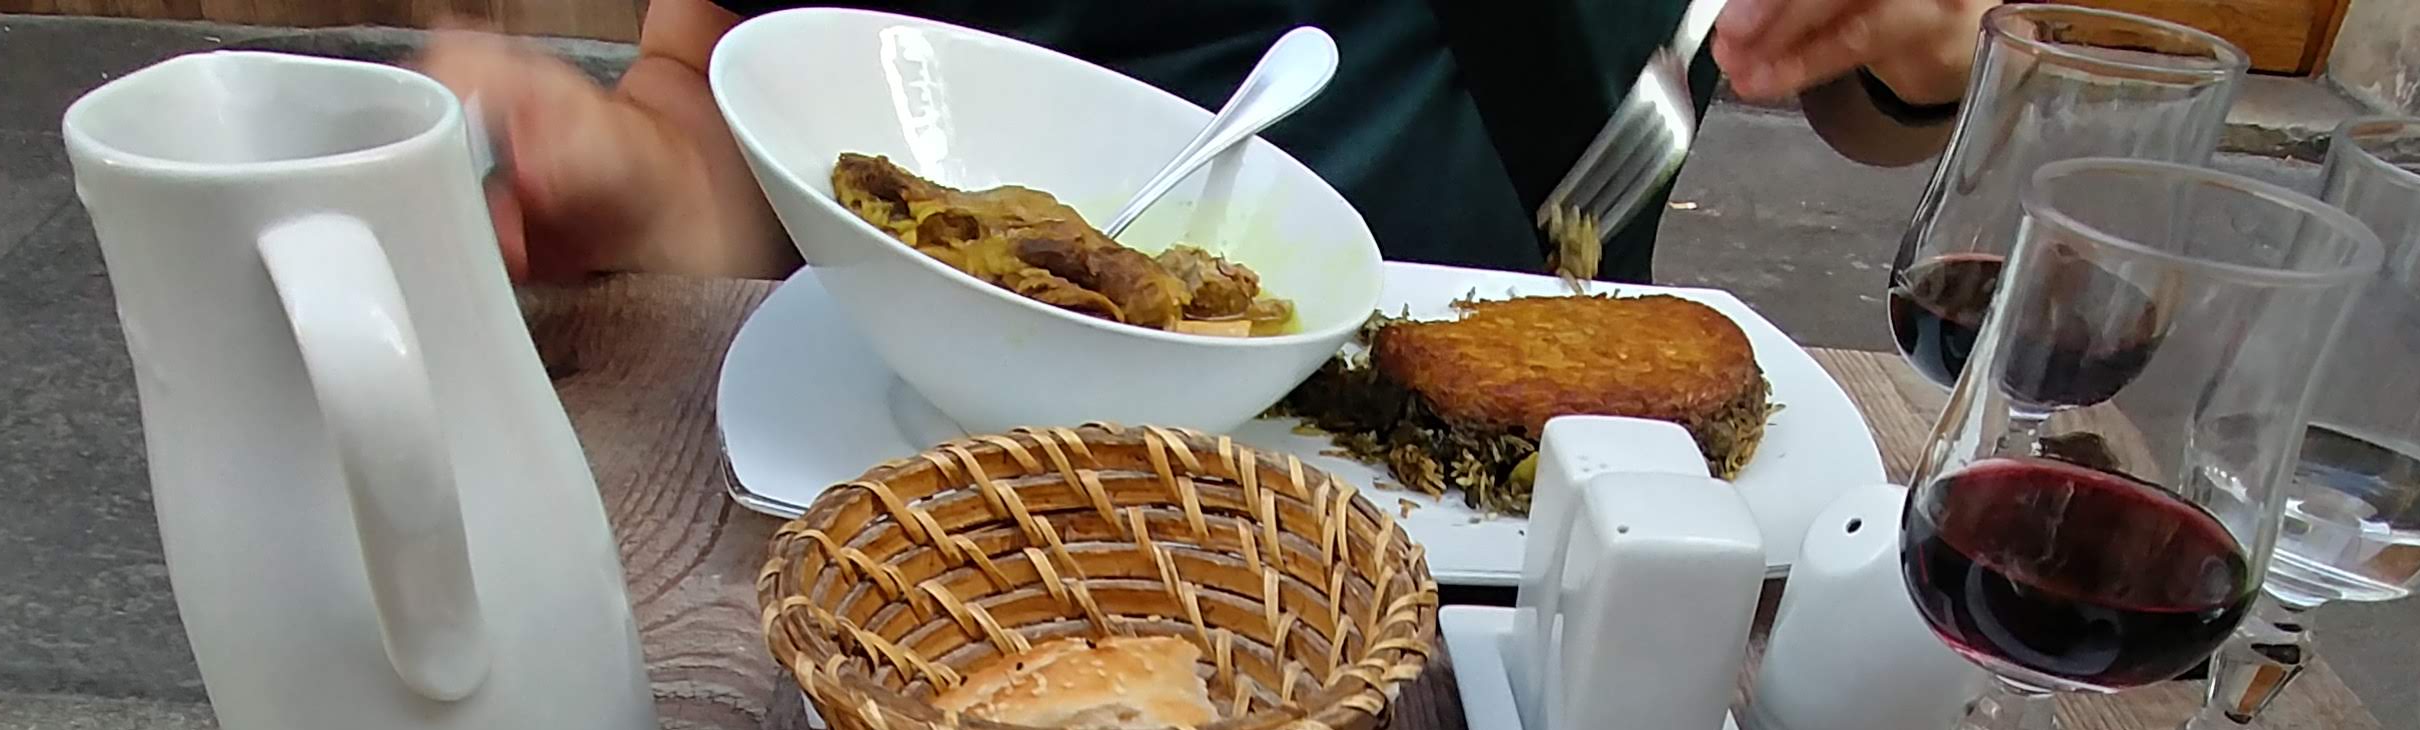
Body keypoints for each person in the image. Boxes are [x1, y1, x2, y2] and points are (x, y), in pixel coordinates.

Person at [426, 0, 1994, 288]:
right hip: (945, 500)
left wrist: (1919, 51)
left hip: (1519, 539)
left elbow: (1859, 99)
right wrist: (635, 182)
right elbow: (713, 95)